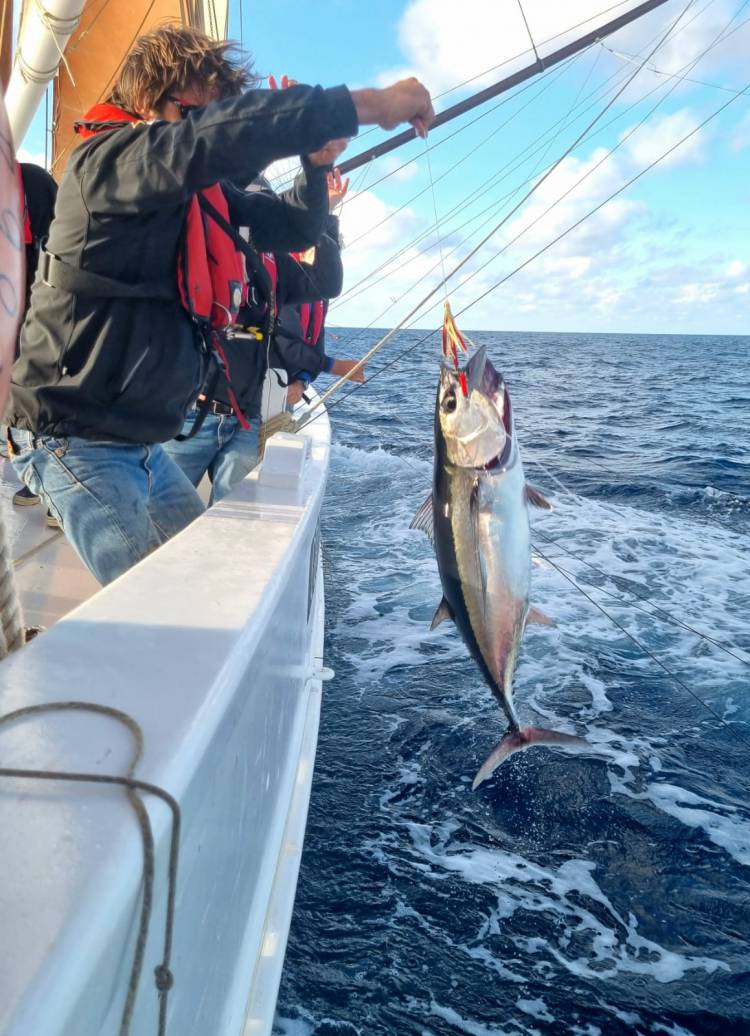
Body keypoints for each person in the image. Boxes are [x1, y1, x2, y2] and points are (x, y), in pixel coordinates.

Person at [5, 25, 434, 586]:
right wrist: (369, 104)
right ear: (148, 100)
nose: (207, 132)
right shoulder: (105, 162)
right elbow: (212, 142)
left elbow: (293, 226)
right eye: (195, 112)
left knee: (208, 578)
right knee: (164, 609)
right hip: (73, 437)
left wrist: (314, 166)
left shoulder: (199, 196)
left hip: (141, 441)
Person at [162, 205, 344, 503]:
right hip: (191, 416)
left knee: (230, 519)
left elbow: (326, 283)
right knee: (160, 516)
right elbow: (216, 331)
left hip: (246, 422)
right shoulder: (195, 252)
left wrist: (324, 216)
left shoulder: (275, 267)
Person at [270, 168, 367, 407]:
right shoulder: (278, 271)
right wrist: (334, 366)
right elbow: (283, 340)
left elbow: (315, 338)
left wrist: (302, 380)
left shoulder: (317, 289)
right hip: (258, 392)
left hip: (283, 396)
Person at [10, 163, 58, 515]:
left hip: (35, 319)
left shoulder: (33, 182)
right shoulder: (33, 180)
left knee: (35, 403)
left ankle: (50, 493)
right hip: (32, 317)